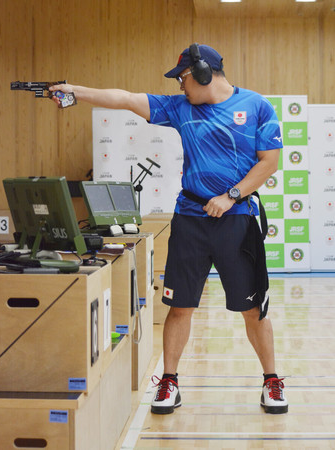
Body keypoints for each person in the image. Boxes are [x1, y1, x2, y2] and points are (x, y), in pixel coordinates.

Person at [50, 43, 288, 416]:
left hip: (237, 222)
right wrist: (75, 91)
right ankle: (170, 382)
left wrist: (231, 195)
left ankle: (272, 380)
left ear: (204, 73)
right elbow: (126, 98)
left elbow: (269, 162)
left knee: (253, 309)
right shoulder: (179, 108)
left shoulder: (257, 107)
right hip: (190, 220)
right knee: (180, 306)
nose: (180, 86)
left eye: (183, 78)